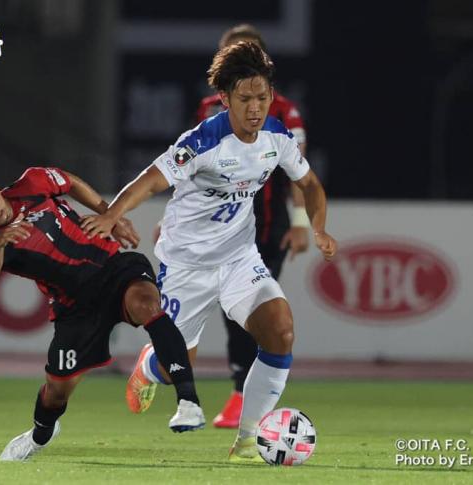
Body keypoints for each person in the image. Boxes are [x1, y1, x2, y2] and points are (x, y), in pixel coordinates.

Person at [83, 42, 337, 462]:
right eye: (245, 99)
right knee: (174, 369)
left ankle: (248, 440)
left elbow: (309, 184)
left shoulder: (277, 137)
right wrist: (111, 215)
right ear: (225, 98)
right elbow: (151, 180)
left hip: (239, 259)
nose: (255, 108)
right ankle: (148, 367)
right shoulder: (202, 141)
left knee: (280, 330)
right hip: (186, 265)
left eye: (262, 97)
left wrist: (318, 227)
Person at [0, 158, 205, 462]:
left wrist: (109, 214)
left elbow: (70, 182)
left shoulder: (32, 183)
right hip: (75, 307)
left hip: (112, 268)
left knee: (147, 304)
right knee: (57, 392)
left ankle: (188, 402)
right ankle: (40, 434)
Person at [196, 24, 311, 429]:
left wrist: (301, 222)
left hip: (267, 226)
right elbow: (193, 169)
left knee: (257, 306)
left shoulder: (283, 111)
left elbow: (299, 169)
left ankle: (247, 396)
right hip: (220, 227)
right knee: (232, 309)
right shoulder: (208, 109)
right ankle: (242, 393)